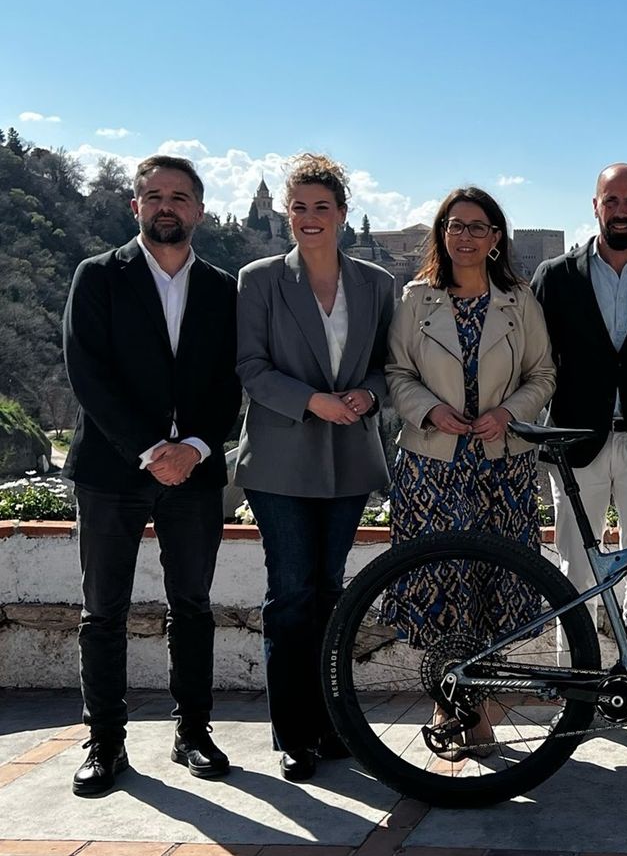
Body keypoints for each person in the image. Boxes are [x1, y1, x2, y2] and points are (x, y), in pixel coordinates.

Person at [61, 155, 242, 796]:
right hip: (110, 469)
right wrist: (149, 449)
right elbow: (87, 373)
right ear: (135, 205)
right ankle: (105, 743)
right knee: (102, 610)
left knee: (191, 604)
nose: (167, 206)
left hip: (194, 471)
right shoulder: (97, 276)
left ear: (199, 210)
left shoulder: (223, 288)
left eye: (180, 196)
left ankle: (193, 733)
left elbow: (232, 380)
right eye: (155, 195)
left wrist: (193, 447)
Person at [234, 154, 395, 781]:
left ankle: (331, 723)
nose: (308, 217)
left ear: (342, 213)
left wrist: (369, 396)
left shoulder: (375, 284)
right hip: (280, 460)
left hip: (349, 457)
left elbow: (387, 365)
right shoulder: (259, 279)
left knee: (332, 592)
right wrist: (312, 401)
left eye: (320, 207)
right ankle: (294, 733)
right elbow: (250, 367)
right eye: (298, 207)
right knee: (291, 594)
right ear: (285, 213)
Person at [384, 187, 556, 758]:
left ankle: (477, 706)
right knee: (443, 586)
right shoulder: (416, 299)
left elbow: (543, 375)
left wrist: (508, 413)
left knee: (488, 588)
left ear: (495, 238)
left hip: (501, 465)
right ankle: (447, 703)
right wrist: (430, 410)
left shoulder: (518, 301)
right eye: (455, 226)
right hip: (432, 465)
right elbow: (396, 372)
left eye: (477, 227)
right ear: (442, 234)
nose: (465, 236)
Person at [531, 163, 627, 743]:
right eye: (611, 199)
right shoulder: (555, 276)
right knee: (574, 571)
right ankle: (574, 692)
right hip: (576, 445)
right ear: (595, 206)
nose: (621, 209)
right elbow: (535, 360)